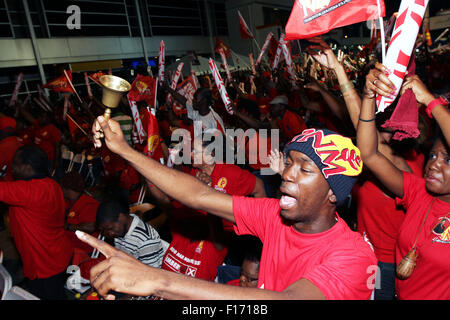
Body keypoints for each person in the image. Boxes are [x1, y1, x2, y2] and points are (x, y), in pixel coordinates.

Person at [75, 116, 377, 300]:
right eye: (288, 163)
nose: (286, 174)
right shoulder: (274, 215)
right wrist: (125, 150)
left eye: (305, 169)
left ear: (333, 194)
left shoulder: (353, 255)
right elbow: (199, 196)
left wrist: (158, 280)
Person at [307, 38, 425, 300]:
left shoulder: (400, 163)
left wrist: (339, 70)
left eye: (384, 114)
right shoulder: (389, 153)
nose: (376, 119)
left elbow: (360, 118)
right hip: (364, 250)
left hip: (386, 262)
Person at [356, 62, 450, 300]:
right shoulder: (419, 192)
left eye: (447, 160)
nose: (433, 164)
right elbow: (369, 154)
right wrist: (368, 96)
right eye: (433, 155)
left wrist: (430, 101)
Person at [0, 145, 73, 300]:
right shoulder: (50, 184)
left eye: (15, 163)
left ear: (27, 167)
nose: (11, 167)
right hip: (57, 255)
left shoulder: (29, 190)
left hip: (45, 265)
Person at [96, 199, 165, 268]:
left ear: (122, 217)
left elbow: (151, 274)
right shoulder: (121, 230)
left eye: (111, 228)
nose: (110, 233)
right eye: (105, 230)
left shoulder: (145, 240)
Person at [60, 170, 100, 265]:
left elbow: (91, 227)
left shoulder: (88, 204)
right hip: (67, 242)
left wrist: (68, 226)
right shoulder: (69, 201)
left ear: (66, 188)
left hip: (83, 247)